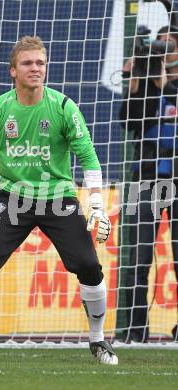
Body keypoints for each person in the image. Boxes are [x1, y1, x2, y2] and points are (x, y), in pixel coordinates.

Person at [0, 36, 117, 364]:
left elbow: (89, 157)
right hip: (11, 198)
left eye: (40, 63)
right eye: (28, 63)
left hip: (58, 198)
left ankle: (98, 340)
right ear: (13, 71)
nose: (35, 68)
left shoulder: (64, 107)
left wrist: (96, 204)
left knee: (89, 266)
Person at [120, 26, 178, 343]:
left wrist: (160, 79)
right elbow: (128, 119)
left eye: (168, 45)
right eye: (160, 45)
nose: (163, 50)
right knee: (138, 257)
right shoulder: (146, 83)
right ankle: (135, 329)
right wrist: (136, 78)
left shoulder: (170, 85)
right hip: (146, 178)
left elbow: (171, 93)